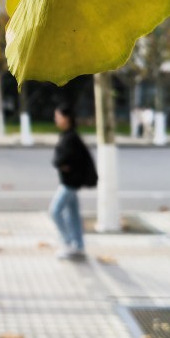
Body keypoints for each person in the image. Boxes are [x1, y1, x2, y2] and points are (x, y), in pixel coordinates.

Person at [50, 103, 97, 260]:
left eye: (59, 117)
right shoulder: (69, 135)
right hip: (71, 182)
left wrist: (61, 163)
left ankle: (68, 243)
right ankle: (79, 245)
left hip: (70, 183)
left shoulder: (71, 138)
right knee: (73, 214)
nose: (56, 120)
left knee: (55, 211)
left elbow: (63, 159)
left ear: (67, 118)